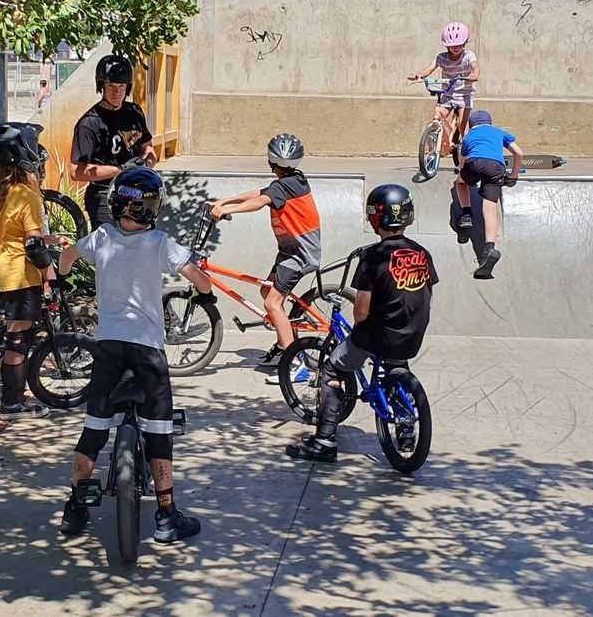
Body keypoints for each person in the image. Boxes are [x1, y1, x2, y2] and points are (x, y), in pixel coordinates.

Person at [56, 167, 216, 543]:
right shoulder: (160, 243)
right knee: (159, 430)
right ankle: (165, 515)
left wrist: (61, 278)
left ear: (115, 204)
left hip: (109, 345)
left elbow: (65, 257)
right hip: (147, 348)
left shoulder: (100, 239)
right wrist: (205, 291)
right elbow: (200, 281)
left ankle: (75, 507)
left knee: (94, 428)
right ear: (153, 207)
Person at [286, 184, 437, 463]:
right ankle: (405, 426)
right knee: (395, 365)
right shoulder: (422, 253)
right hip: (413, 332)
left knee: (332, 367)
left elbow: (362, 309)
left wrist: (362, 332)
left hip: (379, 332)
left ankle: (324, 441)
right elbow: (429, 299)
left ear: (375, 218)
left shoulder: (373, 256)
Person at [208, 133, 321, 380]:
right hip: (289, 251)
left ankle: (297, 364)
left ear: (270, 162)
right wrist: (225, 200)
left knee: (272, 303)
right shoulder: (294, 180)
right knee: (265, 291)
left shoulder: (283, 187)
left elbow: (260, 201)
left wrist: (229, 210)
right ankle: (283, 347)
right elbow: (260, 192)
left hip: (299, 255)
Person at [0, 123, 67, 421]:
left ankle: (14, 398)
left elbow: (18, 234)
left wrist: (54, 239)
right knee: (18, 338)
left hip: (4, 271)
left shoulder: (1, 193)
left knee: (15, 335)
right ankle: (11, 405)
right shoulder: (27, 195)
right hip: (22, 274)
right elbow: (33, 245)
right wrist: (50, 276)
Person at [70, 54, 158, 229]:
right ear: (101, 86)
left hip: (138, 192)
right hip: (105, 194)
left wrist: (146, 164)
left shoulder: (135, 112)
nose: (116, 92)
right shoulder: (89, 122)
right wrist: (120, 171)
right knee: (109, 250)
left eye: (121, 86)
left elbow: (149, 148)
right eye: (110, 86)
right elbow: (76, 171)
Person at [456, 110, 522, 279]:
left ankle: (466, 214)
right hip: (496, 167)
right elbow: (518, 153)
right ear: (490, 123)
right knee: (490, 210)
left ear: (471, 124)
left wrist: (465, 172)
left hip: (475, 163)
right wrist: (513, 176)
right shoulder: (499, 132)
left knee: (460, 182)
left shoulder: (469, 135)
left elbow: (463, 159)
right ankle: (489, 248)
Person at [407, 22, 480, 151]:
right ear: (446, 45)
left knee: (464, 128)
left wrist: (474, 74)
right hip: (448, 94)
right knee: (436, 120)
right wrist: (419, 75)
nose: (455, 48)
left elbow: (475, 66)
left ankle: (467, 158)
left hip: (464, 96)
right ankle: (436, 147)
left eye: (458, 45)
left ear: (464, 43)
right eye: (452, 46)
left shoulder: (469, 56)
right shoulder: (442, 57)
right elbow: (429, 69)